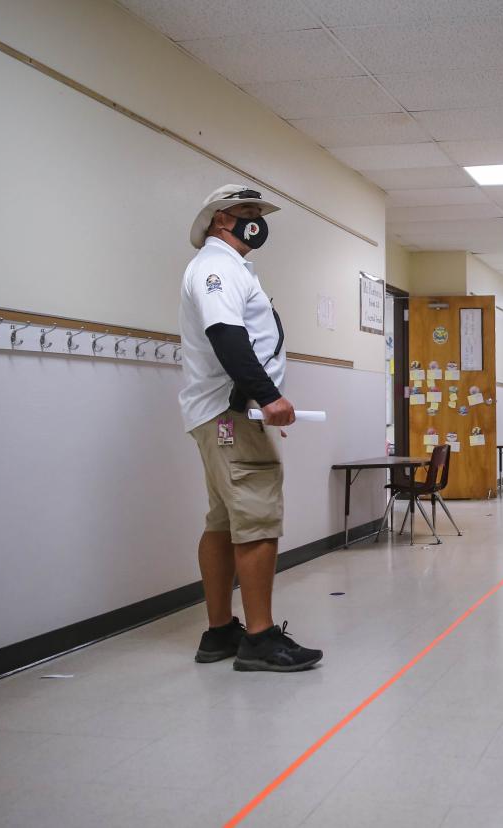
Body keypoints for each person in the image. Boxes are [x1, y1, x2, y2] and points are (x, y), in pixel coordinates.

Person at [178, 184, 322, 672]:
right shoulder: (216, 268)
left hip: (221, 415)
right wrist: (268, 397)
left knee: (222, 523)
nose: (256, 220)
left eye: (259, 213)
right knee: (257, 522)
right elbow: (227, 337)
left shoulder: (225, 268)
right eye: (247, 212)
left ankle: (220, 632)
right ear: (220, 219)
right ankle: (259, 640)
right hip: (233, 413)